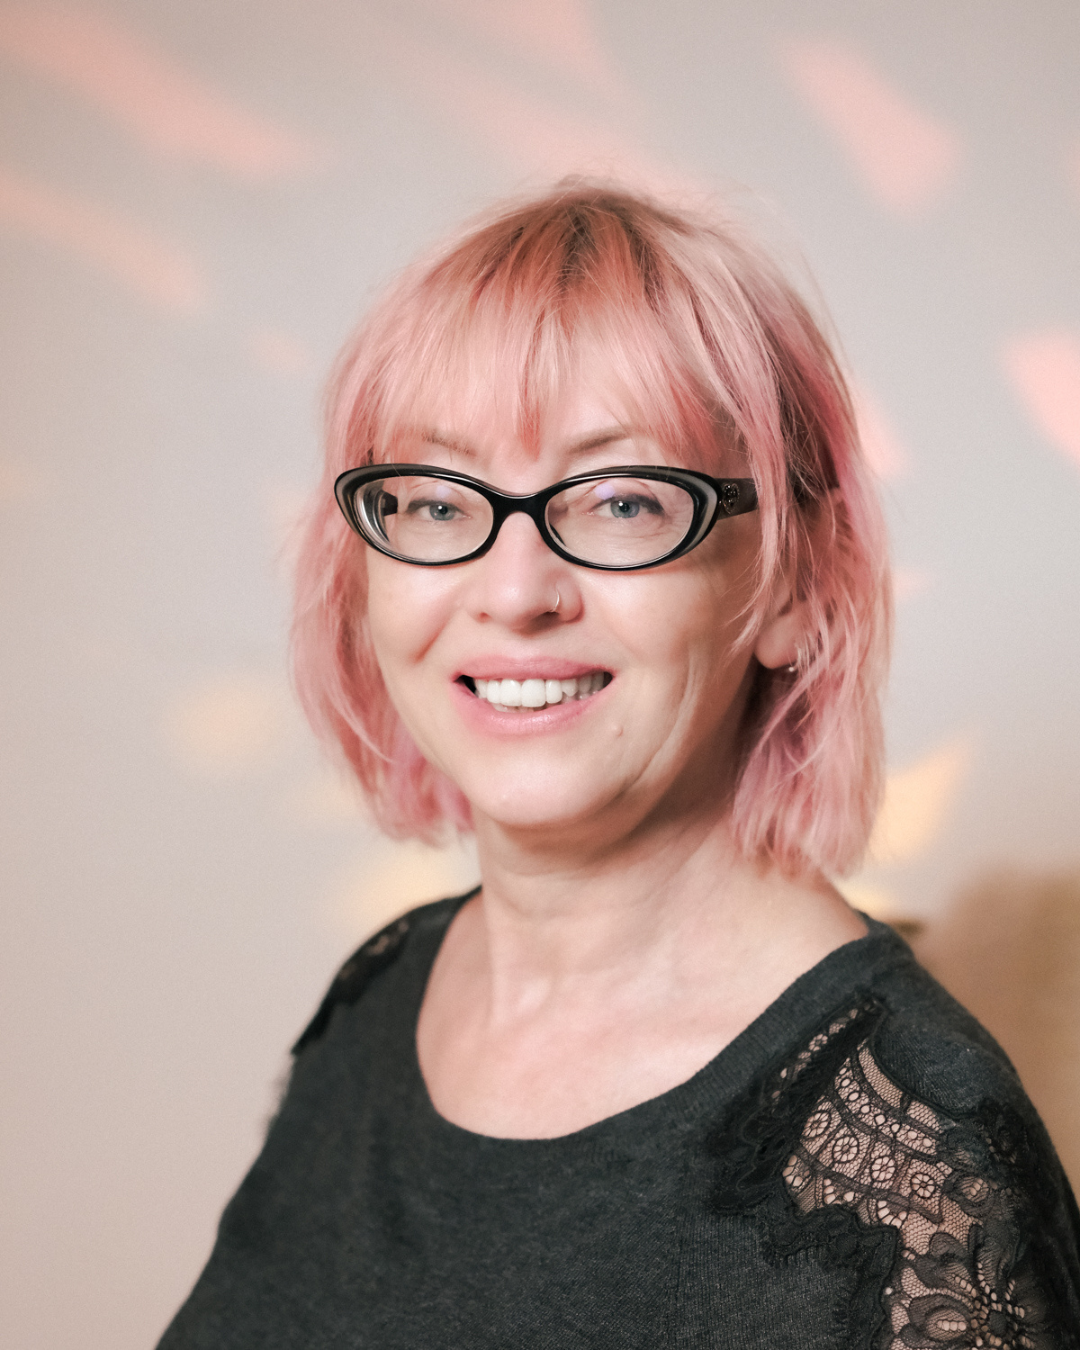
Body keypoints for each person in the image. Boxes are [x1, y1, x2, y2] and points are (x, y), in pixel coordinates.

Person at [158, 184, 1080, 1348]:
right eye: (441, 502)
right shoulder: (382, 994)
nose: (514, 591)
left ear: (794, 585)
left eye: (623, 501)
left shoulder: (922, 1159)